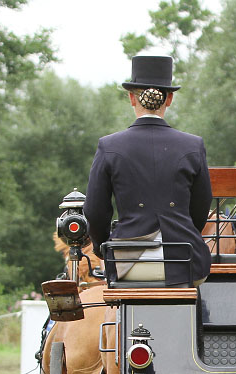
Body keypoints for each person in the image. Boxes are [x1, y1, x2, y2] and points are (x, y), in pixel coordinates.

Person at [85, 55, 212, 287]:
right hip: (184, 261)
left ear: (132, 98)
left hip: (128, 261)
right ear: (170, 99)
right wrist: (183, 234)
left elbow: (94, 210)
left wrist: (103, 246)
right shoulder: (193, 145)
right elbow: (201, 208)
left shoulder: (109, 146)